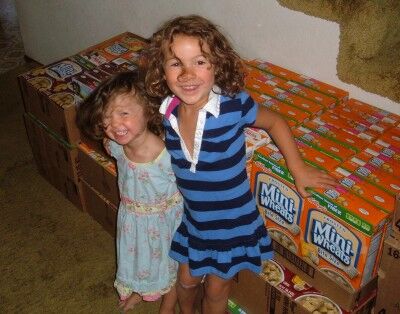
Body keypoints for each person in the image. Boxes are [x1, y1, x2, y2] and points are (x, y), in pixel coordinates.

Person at [143, 15, 337, 314]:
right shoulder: (167, 111)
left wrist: (298, 169)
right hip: (195, 221)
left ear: (217, 66)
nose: (187, 74)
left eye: (200, 62)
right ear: (162, 70)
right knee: (185, 281)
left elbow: (275, 121)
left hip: (231, 226)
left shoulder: (233, 106)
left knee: (216, 290)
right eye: (175, 63)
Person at [76, 71, 183, 314]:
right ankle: (138, 289)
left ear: (148, 111)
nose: (113, 124)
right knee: (138, 258)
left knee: (169, 266)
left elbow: (189, 187)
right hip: (132, 219)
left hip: (165, 223)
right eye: (106, 117)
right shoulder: (114, 144)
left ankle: (167, 307)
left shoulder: (166, 155)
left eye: (123, 113)